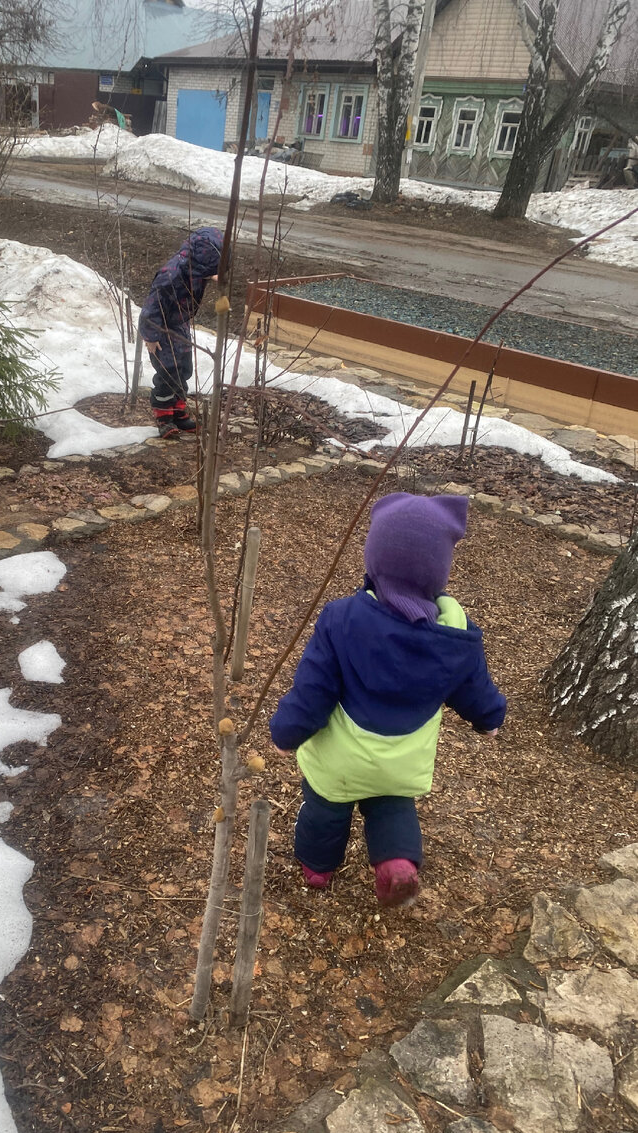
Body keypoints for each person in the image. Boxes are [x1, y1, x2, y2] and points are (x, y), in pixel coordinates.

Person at [269, 492, 506, 908]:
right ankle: (397, 864)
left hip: (339, 761)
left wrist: (287, 731)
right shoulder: (455, 633)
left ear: (373, 558)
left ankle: (317, 869)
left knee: (325, 810)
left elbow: (314, 690)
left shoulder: (342, 619)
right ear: (439, 571)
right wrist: (489, 718)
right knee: (393, 808)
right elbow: (474, 690)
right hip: (401, 763)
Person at [138, 226, 223, 439]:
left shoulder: (196, 269)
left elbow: (204, 276)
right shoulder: (170, 275)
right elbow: (151, 308)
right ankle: (163, 416)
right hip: (162, 328)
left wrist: (214, 276)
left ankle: (178, 411)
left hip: (179, 325)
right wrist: (150, 336)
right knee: (168, 372)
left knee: (184, 368)